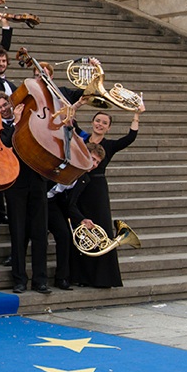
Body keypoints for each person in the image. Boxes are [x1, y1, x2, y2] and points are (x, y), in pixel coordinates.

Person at [72, 107, 143, 288]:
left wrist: (136, 115)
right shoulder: (82, 138)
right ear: (92, 122)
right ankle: (82, 277)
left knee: (101, 229)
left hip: (97, 190)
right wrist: (77, 105)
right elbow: (72, 122)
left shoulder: (109, 145)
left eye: (104, 123)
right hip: (79, 185)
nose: (100, 124)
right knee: (81, 231)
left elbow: (130, 138)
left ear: (109, 127)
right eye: (98, 121)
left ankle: (103, 279)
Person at [0, 91, 51, 295]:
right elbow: (6, 144)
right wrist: (15, 122)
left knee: (40, 233)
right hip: (15, 184)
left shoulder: (28, 119)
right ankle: (19, 279)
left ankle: (40, 280)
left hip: (37, 180)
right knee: (18, 232)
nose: (4, 109)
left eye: (5, 105)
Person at [46, 145, 103, 292]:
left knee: (64, 234)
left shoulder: (84, 178)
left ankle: (62, 277)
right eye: (93, 159)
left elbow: (70, 204)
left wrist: (82, 219)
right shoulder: (65, 164)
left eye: (97, 162)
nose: (94, 164)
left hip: (52, 204)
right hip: (38, 198)